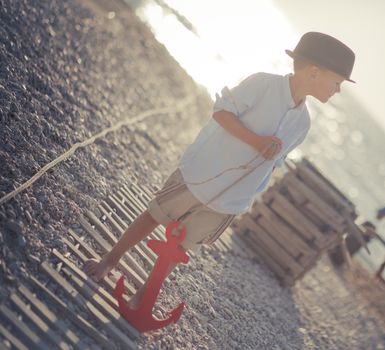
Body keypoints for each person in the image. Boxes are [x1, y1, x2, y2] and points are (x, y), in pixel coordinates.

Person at [85, 32, 357, 309]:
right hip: (203, 170)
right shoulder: (263, 84)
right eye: (337, 82)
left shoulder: (303, 124)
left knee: (181, 246)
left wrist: (249, 194)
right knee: (155, 215)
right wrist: (257, 142)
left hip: (231, 199)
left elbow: (273, 163)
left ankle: (144, 296)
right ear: (314, 71)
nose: (337, 90)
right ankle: (111, 259)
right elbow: (221, 113)